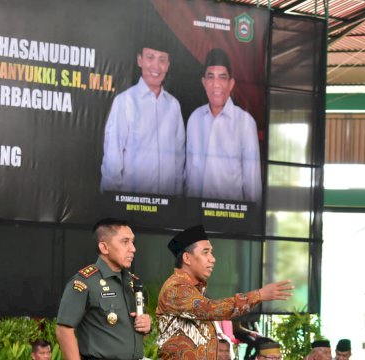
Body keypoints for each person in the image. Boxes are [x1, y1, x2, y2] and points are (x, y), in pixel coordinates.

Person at [156, 225, 293, 359]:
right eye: (206, 252)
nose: (212, 258)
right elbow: (211, 309)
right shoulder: (176, 288)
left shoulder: (193, 291)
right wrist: (258, 295)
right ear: (187, 258)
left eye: (211, 252)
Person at [56, 218, 152, 360]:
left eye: (132, 242)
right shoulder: (84, 282)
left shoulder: (133, 283)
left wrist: (146, 327)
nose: (133, 248)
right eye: (125, 242)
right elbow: (64, 330)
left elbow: (132, 336)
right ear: (104, 247)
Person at [100, 39, 185, 196]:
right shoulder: (125, 101)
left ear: (168, 65)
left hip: (166, 206)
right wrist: (111, 202)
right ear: (140, 60)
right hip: (131, 205)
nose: (156, 66)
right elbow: (113, 158)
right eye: (150, 57)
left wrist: (178, 199)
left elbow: (179, 157)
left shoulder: (173, 106)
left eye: (162, 60)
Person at [186, 48, 261, 202]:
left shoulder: (245, 122)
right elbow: (189, 174)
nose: (216, 84)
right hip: (196, 215)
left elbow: (252, 183)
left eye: (222, 77)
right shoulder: (194, 119)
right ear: (203, 82)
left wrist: (250, 219)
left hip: (230, 217)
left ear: (231, 84)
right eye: (210, 77)